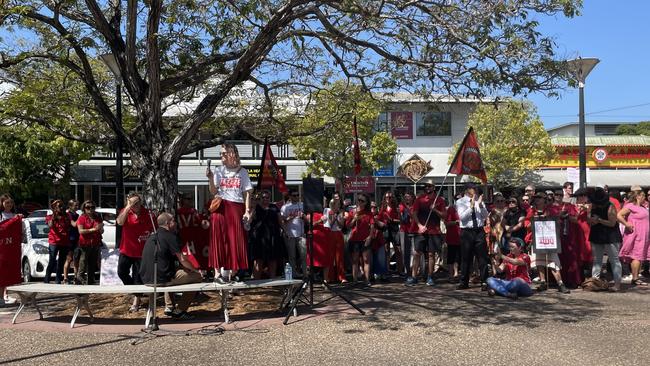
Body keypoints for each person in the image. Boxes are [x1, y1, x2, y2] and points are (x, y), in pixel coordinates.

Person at [139, 213, 202, 320]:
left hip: (146, 278)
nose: (176, 223)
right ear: (168, 223)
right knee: (197, 277)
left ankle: (169, 306)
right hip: (161, 279)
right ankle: (180, 310)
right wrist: (195, 270)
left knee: (173, 272)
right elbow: (182, 259)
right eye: (174, 221)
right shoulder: (170, 236)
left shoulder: (152, 236)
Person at [206, 143, 254, 283]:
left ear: (232, 153)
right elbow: (214, 191)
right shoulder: (218, 170)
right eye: (220, 153)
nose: (222, 156)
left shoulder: (243, 172)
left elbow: (247, 193)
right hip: (220, 207)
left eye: (224, 153)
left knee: (235, 240)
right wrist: (210, 178)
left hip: (235, 207)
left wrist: (247, 211)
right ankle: (217, 274)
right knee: (218, 239)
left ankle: (230, 273)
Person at [116, 192, 155, 312]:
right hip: (126, 249)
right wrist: (128, 207)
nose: (135, 205)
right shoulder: (125, 211)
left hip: (141, 251)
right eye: (133, 202)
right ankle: (137, 292)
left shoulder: (147, 213)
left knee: (137, 277)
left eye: (137, 202)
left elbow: (154, 229)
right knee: (122, 272)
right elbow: (120, 222)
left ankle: (136, 301)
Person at [524, 192, 570, 294]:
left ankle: (560, 283)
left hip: (550, 240)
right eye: (536, 198)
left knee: (553, 262)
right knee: (539, 262)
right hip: (536, 240)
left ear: (545, 199)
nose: (537, 199)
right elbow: (526, 224)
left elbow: (558, 222)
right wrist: (534, 221)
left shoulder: (551, 210)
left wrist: (548, 218)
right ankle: (543, 282)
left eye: (540, 197)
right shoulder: (532, 210)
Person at [405, 179, 446, 287]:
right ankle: (414, 277)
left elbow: (444, 216)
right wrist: (419, 225)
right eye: (426, 186)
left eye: (429, 186)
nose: (427, 188)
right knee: (417, 253)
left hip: (434, 231)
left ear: (434, 187)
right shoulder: (420, 199)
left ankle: (430, 277)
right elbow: (414, 213)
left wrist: (435, 210)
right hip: (422, 231)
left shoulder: (440, 200)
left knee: (431, 254)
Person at [455, 183, 489, 290]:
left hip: (479, 230)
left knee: (482, 257)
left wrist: (480, 205)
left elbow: (485, 215)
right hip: (467, 232)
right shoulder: (460, 202)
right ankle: (464, 281)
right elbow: (462, 217)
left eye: (475, 188)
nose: (475, 190)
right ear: (467, 190)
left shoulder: (480, 200)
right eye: (472, 188)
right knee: (466, 258)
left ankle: (485, 281)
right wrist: (472, 206)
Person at [588, 188, 622, 292]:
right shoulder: (591, 206)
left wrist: (599, 220)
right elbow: (588, 219)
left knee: (614, 260)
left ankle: (617, 285)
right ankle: (594, 282)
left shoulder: (610, 206)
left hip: (611, 236)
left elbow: (612, 223)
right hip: (597, 235)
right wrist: (592, 221)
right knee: (597, 260)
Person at [249, 190, 286, 279]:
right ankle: (256, 281)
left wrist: (285, 231)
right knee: (258, 259)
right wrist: (253, 207)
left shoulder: (274, 207)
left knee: (273, 259)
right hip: (259, 237)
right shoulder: (255, 207)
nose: (265, 199)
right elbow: (250, 220)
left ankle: (272, 279)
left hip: (273, 236)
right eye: (263, 197)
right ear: (260, 198)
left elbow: (280, 220)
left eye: (267, 197)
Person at [617, 185, 650, 286]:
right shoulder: (630, 205)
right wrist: (626, 224)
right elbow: (619, 215)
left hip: (643, 235)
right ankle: (635, 278)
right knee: (637, 255)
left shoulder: (642, 207)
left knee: (640, 256)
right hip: (636, 234)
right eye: (643, 195)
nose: (644, 197)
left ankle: (636, 276)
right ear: (638, 196)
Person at [345, 193, 374, 285]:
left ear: (366, 203)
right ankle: (355, 280)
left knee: (366, 260)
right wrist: (354, 219)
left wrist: (370, 236)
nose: (360, 202)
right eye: (359, 200)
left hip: (365, 239)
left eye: (362, 201)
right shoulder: (352, 212)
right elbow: (348, 226)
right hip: (354, 239)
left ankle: (367, 280)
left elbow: (372, 226)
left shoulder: (369, 213)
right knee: (355, 260)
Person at [45, 199, 73, 284]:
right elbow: (50, 225)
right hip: (54, 241)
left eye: (62, 206)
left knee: (61, 261)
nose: (61, 208)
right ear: (54, 208)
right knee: (52, 260)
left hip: (64, 241)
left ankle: (58, 279)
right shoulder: (50, 216)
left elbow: (70, 225)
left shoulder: (67, 216)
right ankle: (47, 278)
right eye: (59, 206)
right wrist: (54, 215)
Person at [75, 200, 103, 285]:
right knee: (83, 265)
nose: (90, 209)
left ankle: (90, 284)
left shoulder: (97, 217)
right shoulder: (82, 218)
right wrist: (93, 229)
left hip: (95, 243)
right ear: (84, 208)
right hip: (84, 244)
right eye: (88, 207)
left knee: (92, 266)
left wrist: (101, 229)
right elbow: (81, 231)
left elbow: (101, 231)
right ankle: (79, 283)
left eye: (92, 207)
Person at [1, 194, 21, 305]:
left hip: (10, 248)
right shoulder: (1, 215)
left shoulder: (14, 215)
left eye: (11, 203)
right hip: (2, 247)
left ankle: (5, 295)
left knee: (7, 273)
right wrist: (14, 220)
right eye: (6, 203)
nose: (9, 205)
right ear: (2, 203)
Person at [280, 189, 305, 277]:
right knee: (292, 256)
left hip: (301, 234)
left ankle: (305, 274)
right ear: (290, 196)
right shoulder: (285, 207)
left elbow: (307, 219)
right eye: (294, 195)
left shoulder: (302, 205)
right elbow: (281, 221)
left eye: (297, 195)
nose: (296, 197)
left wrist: (304, 217)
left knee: (303, 255)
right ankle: (293, 274)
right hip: (290, 234)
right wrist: (289, 218)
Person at [324, 194, 346, 283]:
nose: (336, 206)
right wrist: (334, 217)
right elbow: (330, 224)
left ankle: (341, 277)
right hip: (331, 234)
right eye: (334, 205)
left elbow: (342, 225)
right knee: (331, 256)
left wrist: (338, 217)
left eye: (337, 204)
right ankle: (330, 277)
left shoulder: (341, 212)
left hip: (339, 234)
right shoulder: (328, 211)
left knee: (339, 256)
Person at [379, 191, 402, 274]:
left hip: (394, 229)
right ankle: (387, 270)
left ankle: (400, 270)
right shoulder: (382, 208)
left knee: (398, 250)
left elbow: (400, 220)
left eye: (390, 197)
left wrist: (391, 219)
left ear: (393, 198)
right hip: (386, 230)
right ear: (384, 198)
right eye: (386, 197)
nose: (388, 199)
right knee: (386, 250)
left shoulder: (396, 207)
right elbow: (379, 219)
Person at [63, 200, 80, 285]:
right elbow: (74, 224)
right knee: (69, 259)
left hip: (77, 239)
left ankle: (76, 278)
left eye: (78, 205)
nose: (77, 207)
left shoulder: (77, 215)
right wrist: (81, 218)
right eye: (75, 205)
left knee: (76, 260)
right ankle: (65, 278)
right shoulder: (68, 215)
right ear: (70, 206)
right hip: (70, 239)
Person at [399, 192, 416, 276]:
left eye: (408, 196)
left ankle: (414, 269)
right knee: (404, 251)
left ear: (412, 197)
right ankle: (407, 270)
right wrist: (399, 213)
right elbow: (401, 220)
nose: (407, 198)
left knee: (414, 251)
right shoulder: (402, 206)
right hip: (404, 231)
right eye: (405, 197)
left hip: (414, 230)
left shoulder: (415, 206)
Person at [444, 201, 461, 280]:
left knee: (458, 256)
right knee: (451, 256)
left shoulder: (465, 208)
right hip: (452, 236)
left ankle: (456, 273)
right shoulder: (451, 209)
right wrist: (456, 222)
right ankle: (451, 274)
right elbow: (447, 223)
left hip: (462, 237)